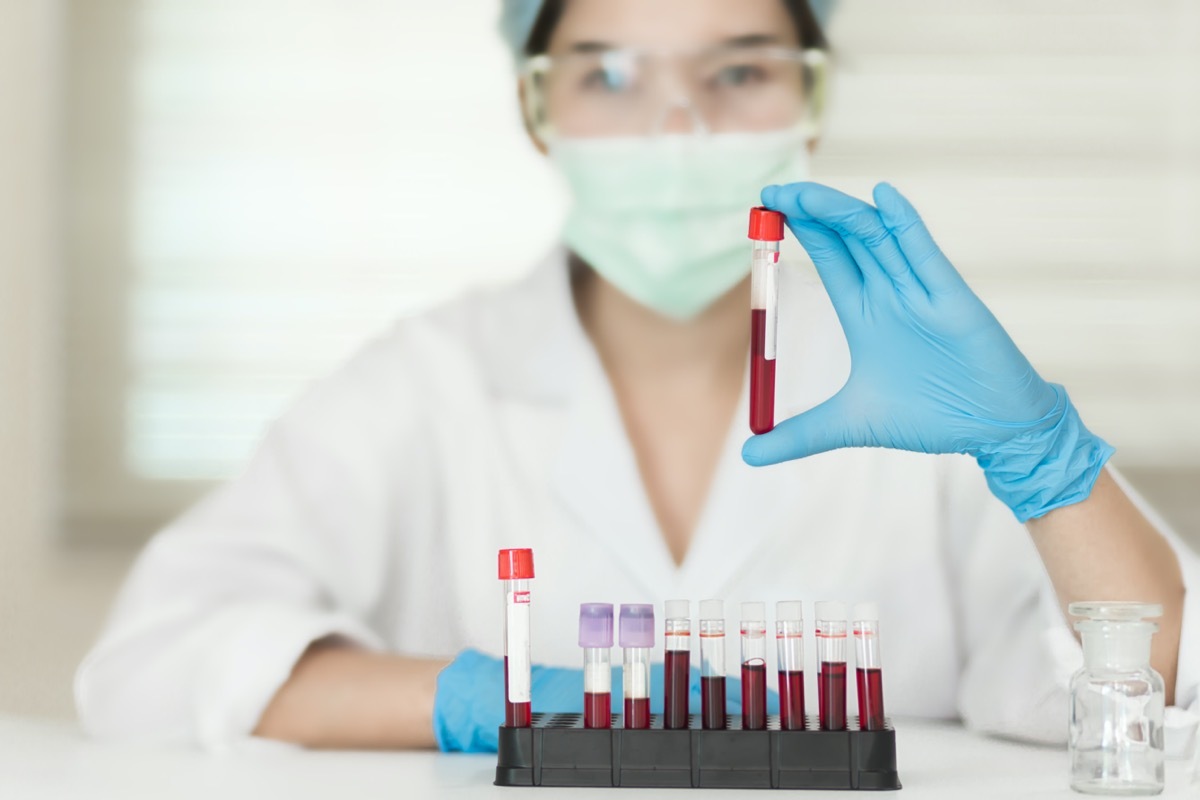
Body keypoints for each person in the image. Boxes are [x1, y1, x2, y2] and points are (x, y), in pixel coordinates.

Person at [76, 0, 1197, 753]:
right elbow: (151, 666)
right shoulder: (426, 382)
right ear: (534, 106)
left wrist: (1045, 459)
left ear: (810, 100)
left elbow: (1150, 686)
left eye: (739, 71)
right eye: (607, 74)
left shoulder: (925, 385)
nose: (675, 127)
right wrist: (498, 700)